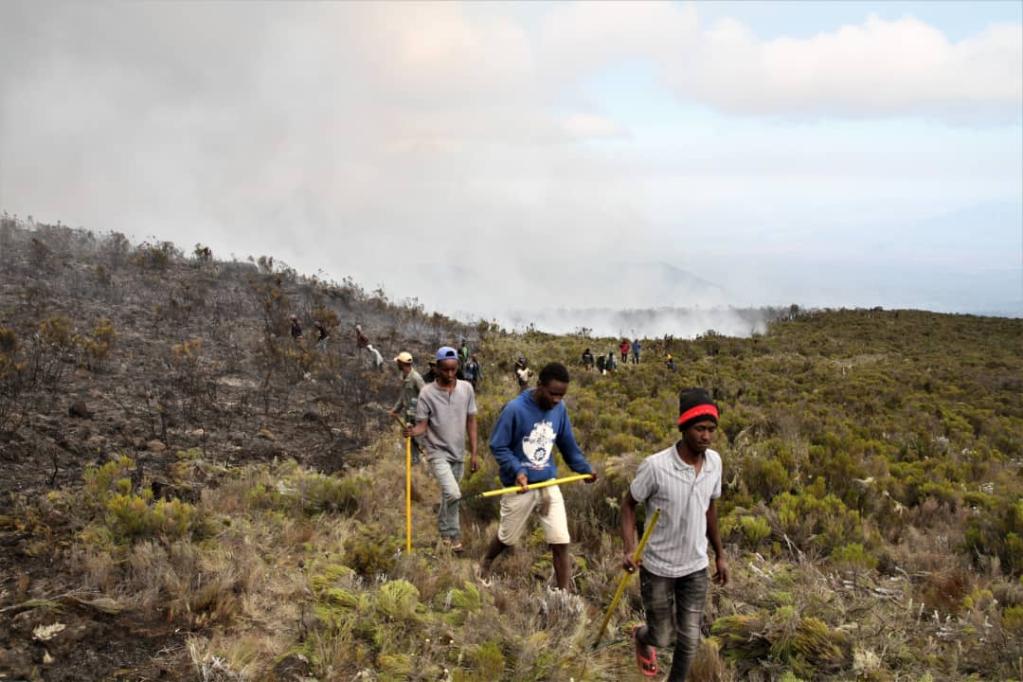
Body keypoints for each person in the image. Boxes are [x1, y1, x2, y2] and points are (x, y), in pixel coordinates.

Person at [620, 388, 729, 680]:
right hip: (658, 567)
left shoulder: (715, 463)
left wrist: (719, 554)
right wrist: (630, 549)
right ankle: (642, 637)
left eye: (711, 429)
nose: (706, 436)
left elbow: (710, 509)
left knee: (690, 637)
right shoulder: (656, 467)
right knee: (663, 636)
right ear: (684, 428)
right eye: (699, 429)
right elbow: (628, 505)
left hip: (695, 566)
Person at [479, 363, 596, 590]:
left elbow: (567, 445)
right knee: (507, 537)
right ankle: (487, 561)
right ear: (539, 385)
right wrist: (518, 470)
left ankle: (563, 596)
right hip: (518, 485)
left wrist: (584, 468)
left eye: (561, 396)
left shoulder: (560, 410)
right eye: (553, 394)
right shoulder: (515, 409)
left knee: (561, 540)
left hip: (547, 482)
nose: (556, 400)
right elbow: (498, 445)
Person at [405, 346, 479, 552]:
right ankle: (454, 538)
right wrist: (413, 432)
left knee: (450, 496)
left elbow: (471, 422)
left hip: (458, 452)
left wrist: (473, 453)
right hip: (437, 452)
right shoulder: (427, 393)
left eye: (454, 369)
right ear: (436, 368)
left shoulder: (466, 389)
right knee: (454, 493)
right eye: (445, 369)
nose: (450, 374)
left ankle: (443, 531)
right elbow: (422, 425)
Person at [389, 351, 425, 463]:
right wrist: (395, 410)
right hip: (409, 417)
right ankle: (414, 463)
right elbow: (403, 396)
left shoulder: (416, 378)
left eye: (398, 362)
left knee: (417, 440)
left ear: (401, 363)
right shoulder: (405, 377)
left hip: (418, 417)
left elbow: (426, 396)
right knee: (411, 440)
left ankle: (419, 463)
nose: (397, 364)